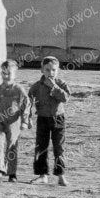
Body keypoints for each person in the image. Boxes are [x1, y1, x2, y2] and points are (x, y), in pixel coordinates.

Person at [0, 61, 33, 182]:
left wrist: (25, 121)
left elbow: (26, 105)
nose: (6, 76)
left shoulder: (19, 90)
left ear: (15, 75)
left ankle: (12, 173)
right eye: (3, 73)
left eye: (9, 73)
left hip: (14, 123)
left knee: (12, 147)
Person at [30, 55, 70, 185]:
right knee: (41, 146)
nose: (50, 73)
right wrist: (27, 116)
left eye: (53, 70)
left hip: (59, 119)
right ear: (42, 70)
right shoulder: (37, 86)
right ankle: (42, 175)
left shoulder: (61, 84)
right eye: (47, 70)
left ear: (57, 70)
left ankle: (61, 175)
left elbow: (65, 98)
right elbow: (28, 101)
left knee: (59, 147)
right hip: (42, 119)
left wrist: (54, 87)